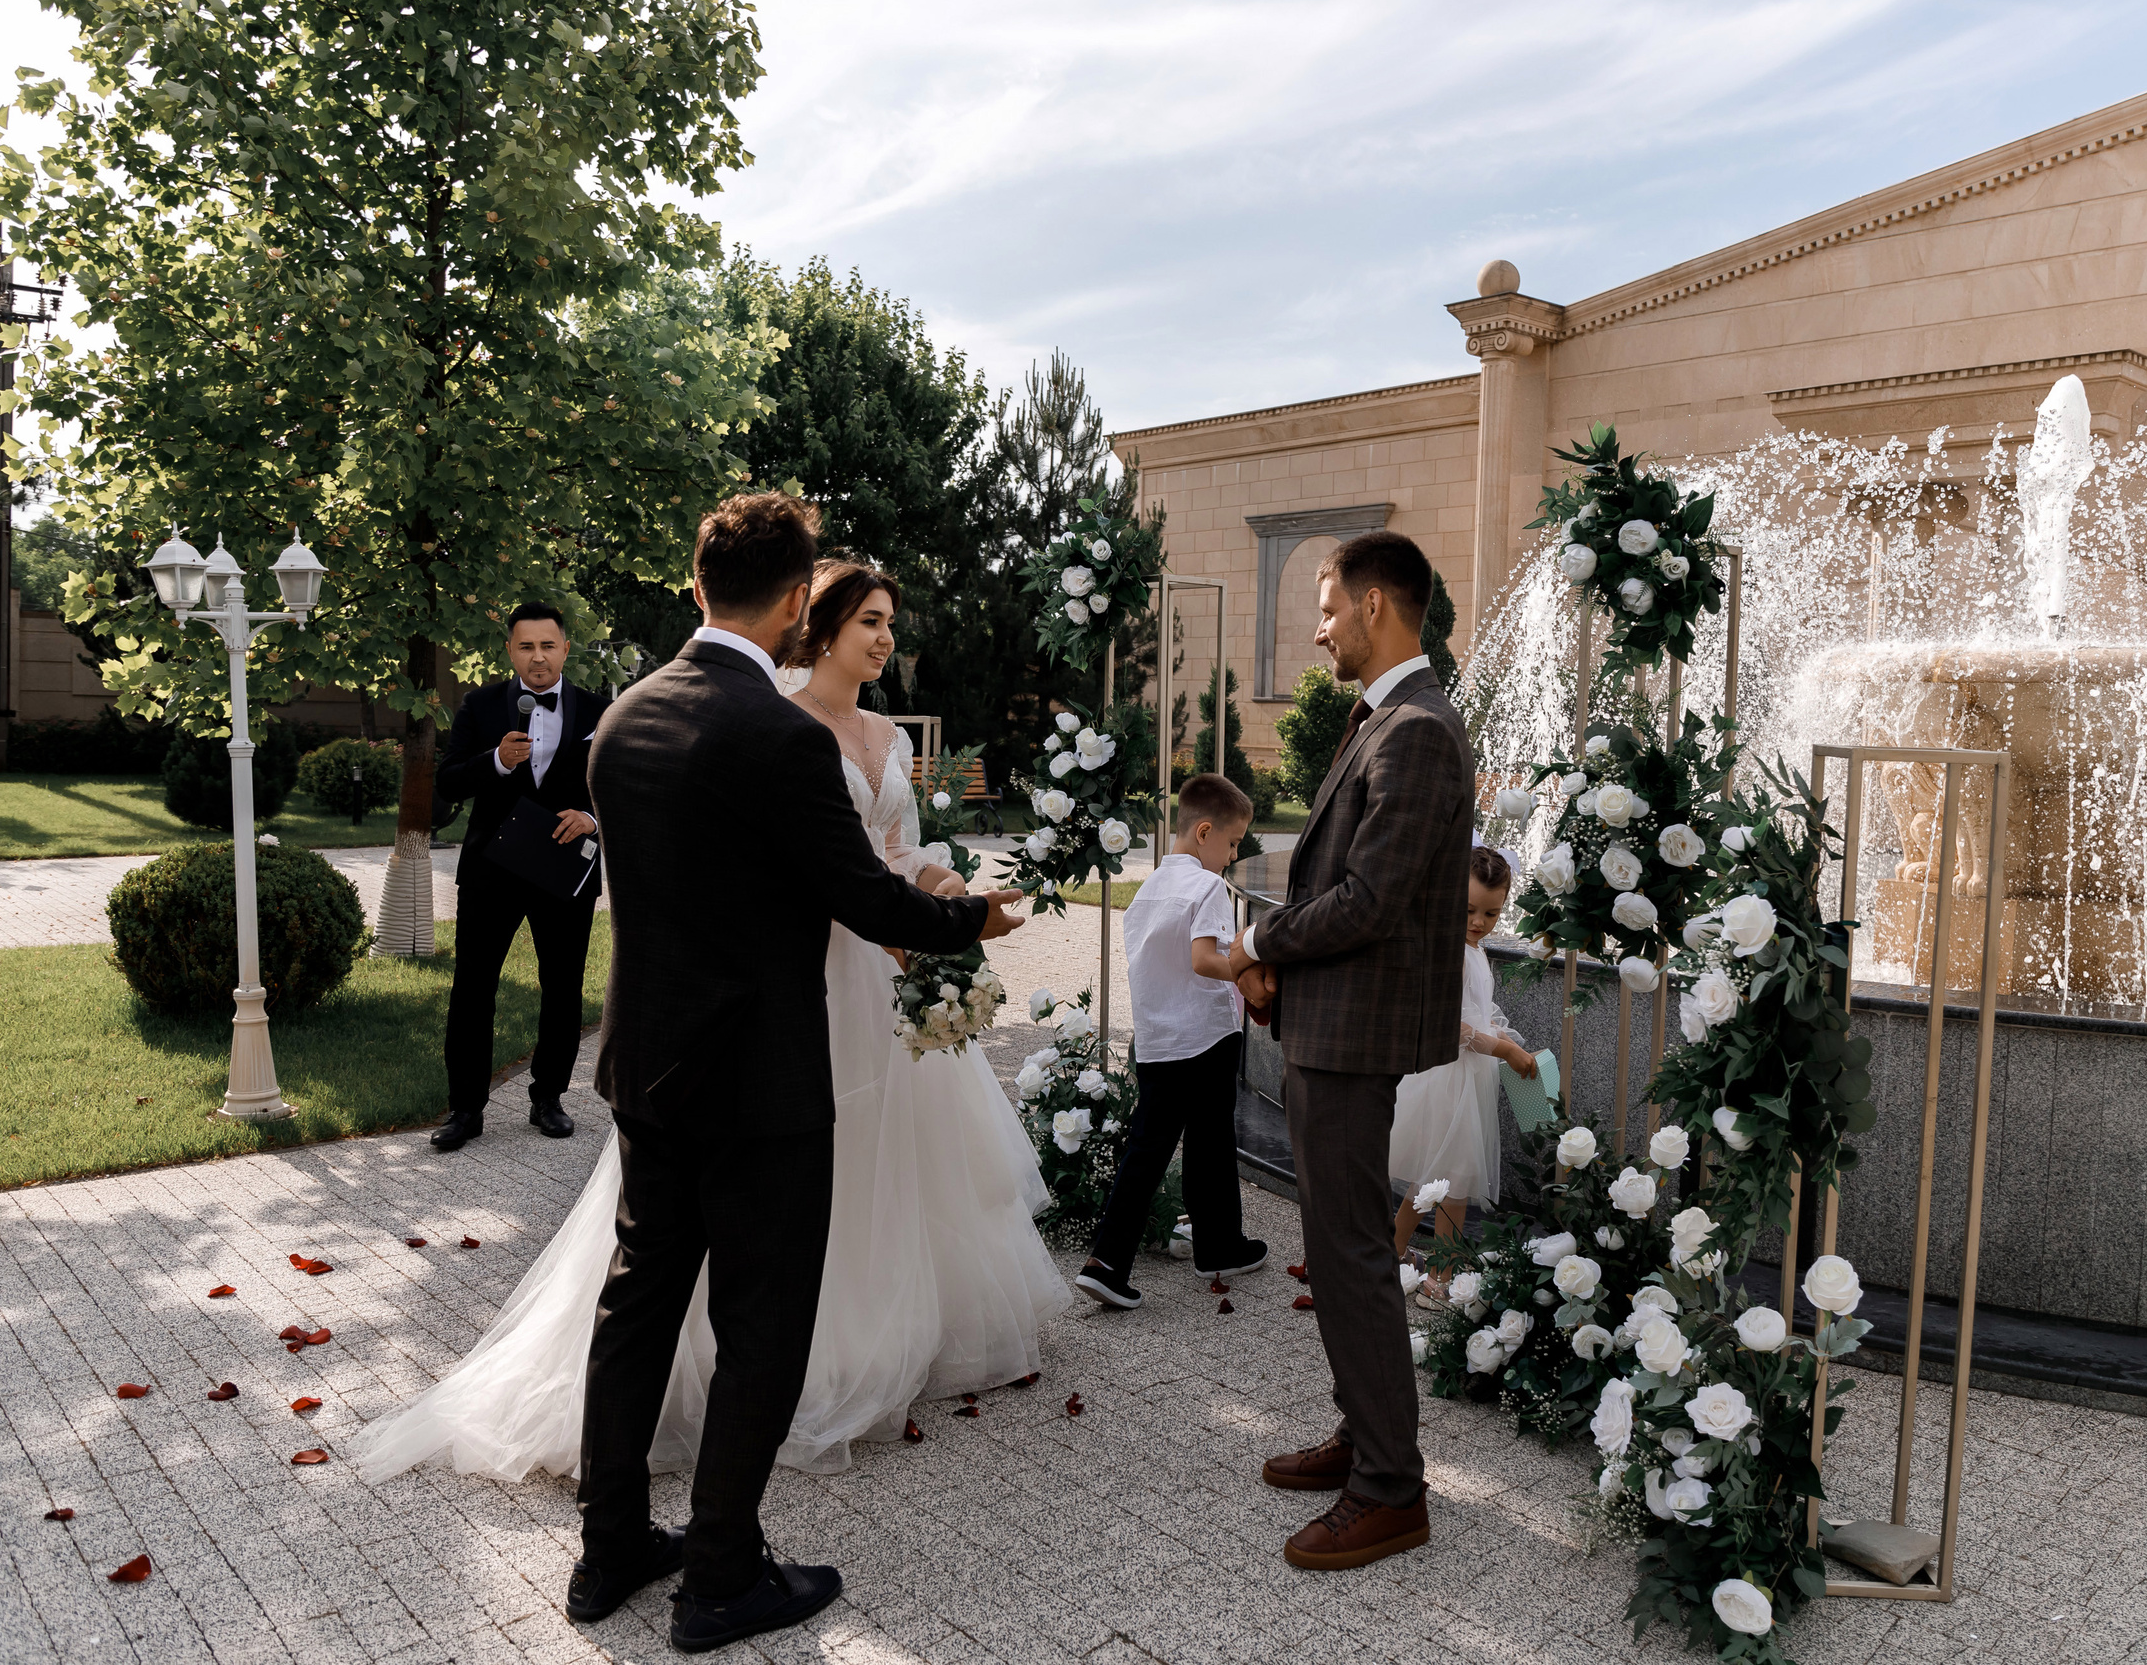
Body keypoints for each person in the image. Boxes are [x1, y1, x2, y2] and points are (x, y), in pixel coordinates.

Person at [348, 506, 1039, 1658]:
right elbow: (862, 900)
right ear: (787, 609)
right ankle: (718, 1574)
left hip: (646, 1066)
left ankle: (610, 1546)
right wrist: (973, 917)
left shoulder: (624, 715)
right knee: (765, 1320)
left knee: (640, 1302)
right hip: (758, 1077)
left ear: (695, 583)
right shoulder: (776, 735)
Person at [1227, 529, 1472, 1573]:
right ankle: (1364, 1435)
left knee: (1353, 1255)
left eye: (1326, 608)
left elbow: (1369, 901)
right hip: (1332, 1015)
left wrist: (1251, 945)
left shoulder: (1414, 728)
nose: (1318, 629)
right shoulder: (1387, 718)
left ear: (1376, 605)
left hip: (1353, 1027)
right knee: (1335, 1246)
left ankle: (1389, 1489)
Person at [1073, 771, 1266, 1311]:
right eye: (1231, 843)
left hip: (1158, 1039)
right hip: (1204, 1037)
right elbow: (1205, 959)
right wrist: (1251, 956)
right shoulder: (1206, 886)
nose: (1232, 856)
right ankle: (1128, 1260)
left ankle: (1200, 1247)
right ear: (1204, 832)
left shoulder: (1152, 887)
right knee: (1203, 1145)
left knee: (1168, 1145)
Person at [431, 600, 610, 1152]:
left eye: (548, 645)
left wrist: (594, 819)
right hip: (492, 872)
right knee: (473, 988)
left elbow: (624, 783)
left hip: (564, 869)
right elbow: (450, 780)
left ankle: (548, 1098)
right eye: (526, 646)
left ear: (565, 649)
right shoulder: (480, 705)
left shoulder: (601, 710)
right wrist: (497, 763)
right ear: (510, 650)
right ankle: (465, 1110)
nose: (538, 656)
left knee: (562, 988)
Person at [1388, 843, 1538, 1267]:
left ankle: (1392, 1251)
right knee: (1451, 1186)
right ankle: (1441, 1276)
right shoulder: (1447, 951)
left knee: (1431, 1180)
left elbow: (1477, 1009)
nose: (1478, 922)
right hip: (1447, 1079)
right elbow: (1448, 1025)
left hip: (1467, 1077)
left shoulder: (1474, 948)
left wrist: (1503, 1036)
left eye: (1491, 914)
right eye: (1469, 909)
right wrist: (1504, 1049)